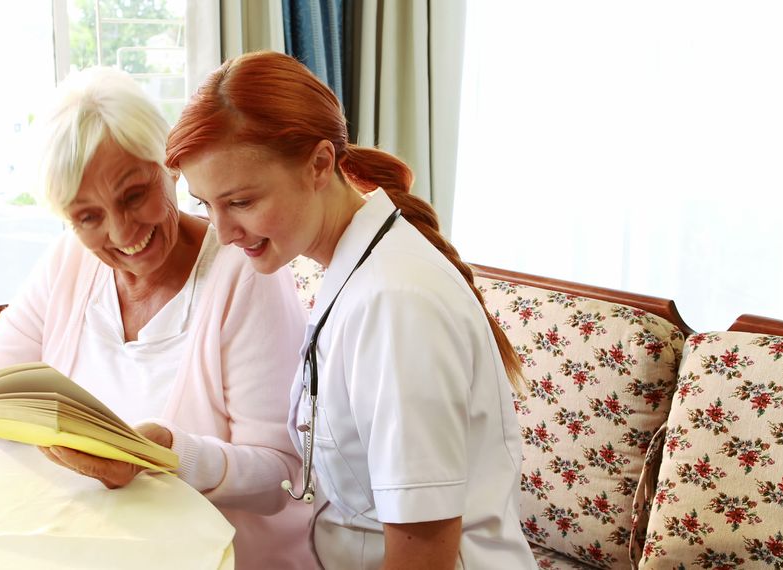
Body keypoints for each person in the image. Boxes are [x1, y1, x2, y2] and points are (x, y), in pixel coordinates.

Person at [167, 51, 536, 569]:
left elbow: (424, 548)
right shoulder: (353, 271)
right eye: (206, 205)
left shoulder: (395, 303)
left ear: (319, 165)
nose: (223, 234)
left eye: (242, 202)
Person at [0, 66, 312, 569]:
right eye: (88, 216)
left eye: (133, 195)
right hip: (91, 545)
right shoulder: (69, 262)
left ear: (168, 164)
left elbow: (283, 477)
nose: (123, 231)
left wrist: (170, 454)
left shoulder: (243, 275)